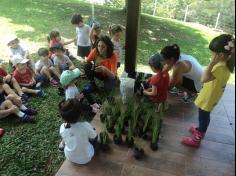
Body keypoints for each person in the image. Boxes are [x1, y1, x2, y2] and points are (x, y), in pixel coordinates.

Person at [182, 34, 235, 148]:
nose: (212, 55)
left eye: (213, 53)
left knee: (203, 117)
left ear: (220, 55)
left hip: (209, 97)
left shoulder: (219, 67)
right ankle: (199, 130)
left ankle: (197, 138)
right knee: (204, 116)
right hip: (210, 94)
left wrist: (212, 63)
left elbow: (203, 78)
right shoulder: (224, 64)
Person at [59, 99, 97, 165]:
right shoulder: (85, 125)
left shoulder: (62, 127)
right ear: (80, 114)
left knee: (67, 136)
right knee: (94, 136)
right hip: (86, 158)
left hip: (69, 157)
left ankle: (62, 144)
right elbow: (93, 137)